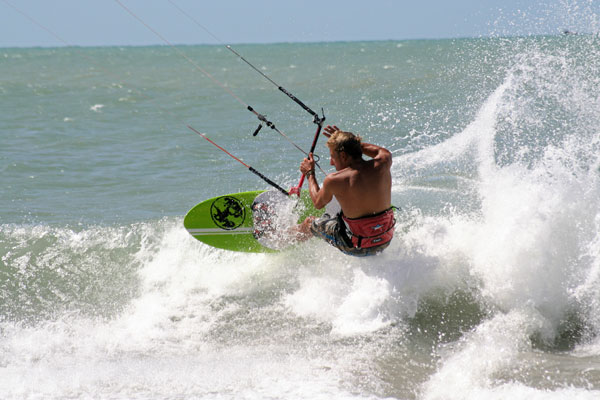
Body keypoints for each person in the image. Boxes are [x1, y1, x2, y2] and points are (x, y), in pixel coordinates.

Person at [296, 125, 395, 256]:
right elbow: (379, 151)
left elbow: (318, 203)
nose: (331, 163)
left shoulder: (335, 180)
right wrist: (349, 142)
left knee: (310, 222)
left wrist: (310, 173)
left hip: (356, 247)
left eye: (332, 156)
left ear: (343, 156)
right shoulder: (384, 162)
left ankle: (285, 238)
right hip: (385, 240)